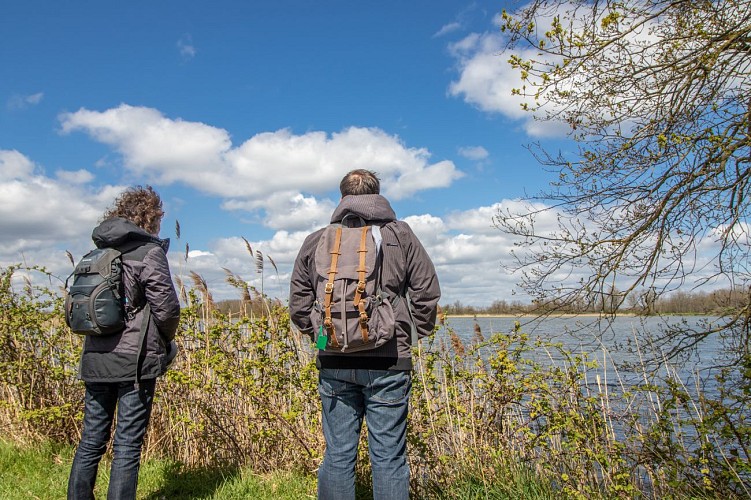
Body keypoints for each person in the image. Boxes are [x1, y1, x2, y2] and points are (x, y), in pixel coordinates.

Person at [289, 169, 441, 499]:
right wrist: (418, 332)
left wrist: (321, 336)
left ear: (342, 198)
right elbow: (426, 291)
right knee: (388, 459)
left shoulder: (317, 240)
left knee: (338, 456)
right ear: (377, 194)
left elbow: (299, 303)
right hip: (389, 360)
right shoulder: (399, 235)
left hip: (334, 360)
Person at [68, 186, 181, 500]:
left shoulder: (95, 254)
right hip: (133, 362)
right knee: (127, 445)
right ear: (151, 218)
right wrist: (166, 344)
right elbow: (168, 309)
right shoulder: (149, 252)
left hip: (94, 358)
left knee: (91, 438)